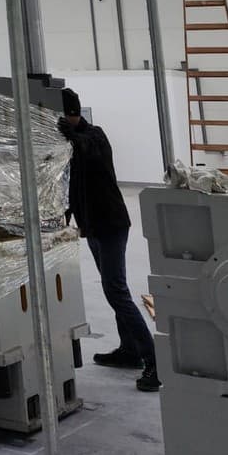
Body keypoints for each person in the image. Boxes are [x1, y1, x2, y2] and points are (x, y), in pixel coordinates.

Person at [60, 87, 160, 392]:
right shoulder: (71, 144)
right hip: (93, 227)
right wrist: (67, 215)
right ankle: (129, 350)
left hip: (111, 225)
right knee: (112, 288)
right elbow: (74, 184)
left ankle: (153, 362)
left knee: (116, 291)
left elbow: (91, 153)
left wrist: (72, 135)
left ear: (71, 114)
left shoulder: (95, 136)